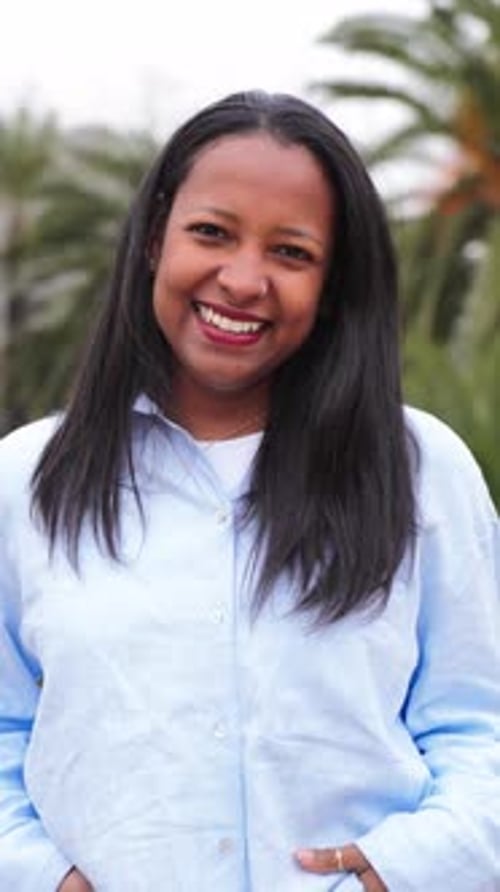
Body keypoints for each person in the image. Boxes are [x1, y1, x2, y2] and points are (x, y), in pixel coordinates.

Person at [0, 90, 498, 892]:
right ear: (155, 237)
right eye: (211, 233)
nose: (242, 279)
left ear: (333, 285)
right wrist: (40, 878)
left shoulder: (419, 470)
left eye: (291, 253)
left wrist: (401, 874)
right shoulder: (26, 483)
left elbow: (483, 727)